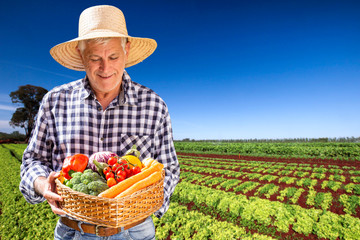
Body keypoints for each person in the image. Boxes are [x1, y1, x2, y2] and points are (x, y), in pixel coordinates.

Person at [19, 5, 180, 240]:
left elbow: (170, 168)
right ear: (81, 54)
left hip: (135, 232)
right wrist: (44, 185)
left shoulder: (154, 106)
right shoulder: (55, 101)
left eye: (113, 56)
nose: (105, 68)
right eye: (95, 58)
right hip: (73, 230)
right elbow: (32, 160)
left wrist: (141, 204)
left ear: (126, 50)